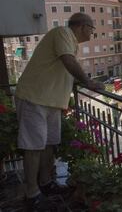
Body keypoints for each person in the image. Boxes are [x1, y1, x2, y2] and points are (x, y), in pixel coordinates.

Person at [15, 13, 104, 210]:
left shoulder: (72, 43)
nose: (92, 33)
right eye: (92, 29)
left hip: (51, 101)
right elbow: (68, 62)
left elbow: (62, 72)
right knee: (33, 147)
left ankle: (46, 183)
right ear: (82, 26)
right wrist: (88, 82)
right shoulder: (62, 33)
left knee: (49, 144)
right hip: (34, 97)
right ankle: (32, 193)